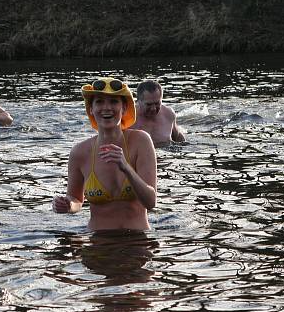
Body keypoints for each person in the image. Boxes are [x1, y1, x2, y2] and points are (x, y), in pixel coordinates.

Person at [52, 77, 157, 231]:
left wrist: (126, 168)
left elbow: (151, 202)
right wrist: (67, 205)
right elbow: (76, 200)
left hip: (138, 242)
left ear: (124, 108)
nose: (106, 108)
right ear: (91, 109)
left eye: (114, 102)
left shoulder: (141, 141)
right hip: (97, 243)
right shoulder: (79, 152)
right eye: (99, 102)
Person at [130, 80, 185, 145]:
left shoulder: (169, 114)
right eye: (149, 104)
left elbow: (179, 139)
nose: (153, 108)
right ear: (138, 101)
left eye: (157, 103)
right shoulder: (128, 118)